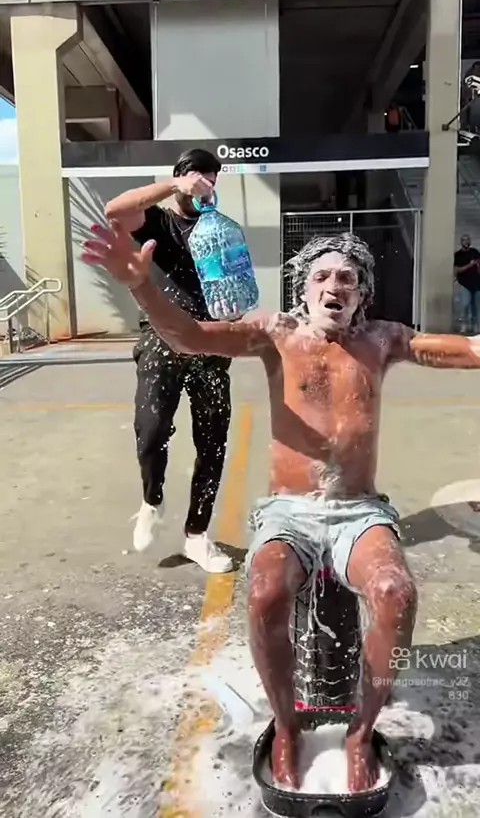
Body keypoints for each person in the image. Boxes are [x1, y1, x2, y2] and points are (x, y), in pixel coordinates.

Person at [81, 225, 480, 794]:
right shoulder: (278, 333)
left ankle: (361, 732)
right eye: (322, 276)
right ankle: (287, 727)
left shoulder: (383, 339)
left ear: (363, 293)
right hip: (288, 513)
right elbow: (189, 337)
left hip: (358, 511)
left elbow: (468, 350)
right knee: (265, 590)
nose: (334, 286)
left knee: (396, 592)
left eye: (347, 278)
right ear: (304, 288)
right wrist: (143, 286)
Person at [104, 149, 232, 573]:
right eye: (197, 176)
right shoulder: (156, 221)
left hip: (210, 341)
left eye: (211, 178)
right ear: (180, 177)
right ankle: (151, 500)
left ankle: (197, 535)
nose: (204, 185)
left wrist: (235, 310)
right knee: (151, 428)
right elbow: (115, 210)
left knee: (212, 443)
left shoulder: (218, 228)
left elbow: (234, 281)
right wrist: (175, 185)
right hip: (160, 339)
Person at [454, 234, 480, 335]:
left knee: (476, 307)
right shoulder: (458, 255)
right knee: (465, 305)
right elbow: (458, 270)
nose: (466, 242)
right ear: (461, 242)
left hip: (477, 285)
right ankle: (464, 325)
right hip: (465, 284)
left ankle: (475, 326)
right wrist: (470, 264)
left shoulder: (475, 252)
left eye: (468, 240)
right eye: (464, 240)